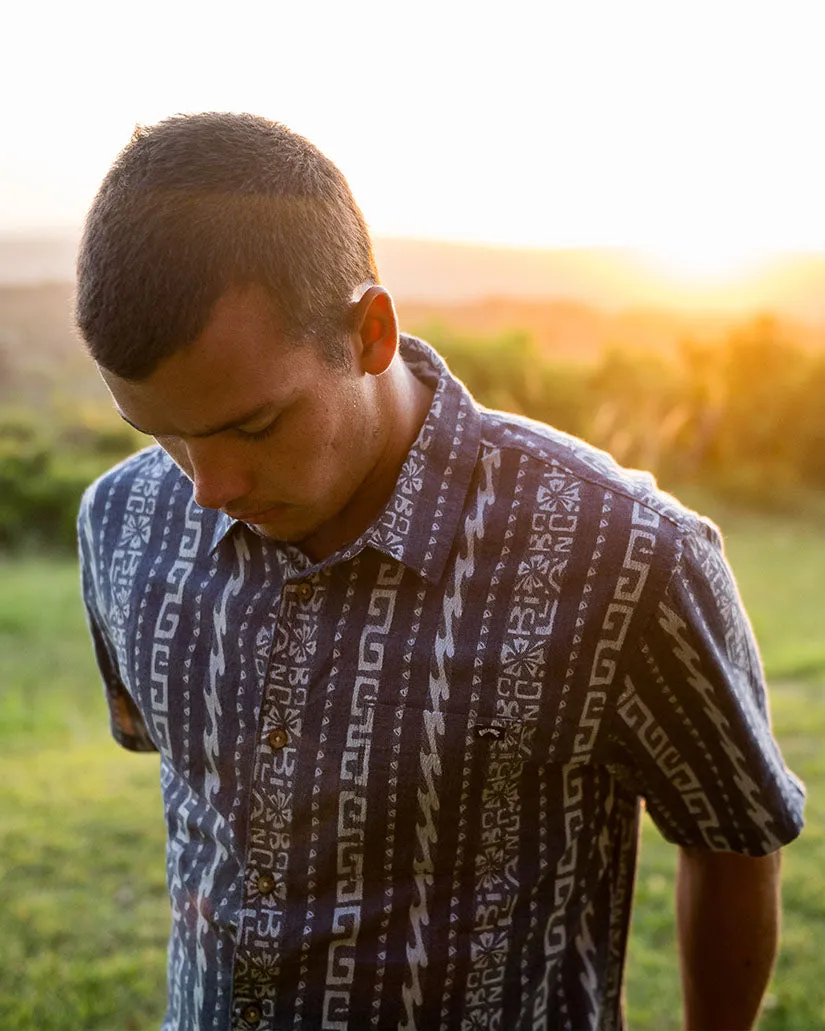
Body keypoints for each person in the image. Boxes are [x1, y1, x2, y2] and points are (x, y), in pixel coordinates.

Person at [75, 112, 804, 1031]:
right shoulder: (120, 519)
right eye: (163, 435)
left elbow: (732, 837)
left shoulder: (625, 551)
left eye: (254, 426)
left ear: (371, 331)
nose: (210, 487)